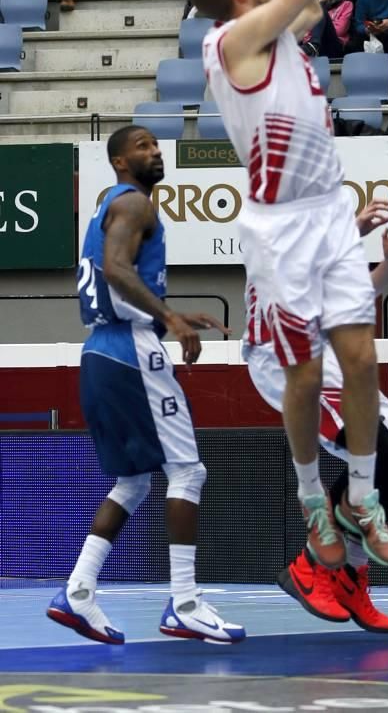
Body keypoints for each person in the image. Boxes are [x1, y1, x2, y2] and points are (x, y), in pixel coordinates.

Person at [188, 0, 388, 572]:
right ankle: (315, 499)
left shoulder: (271, 26)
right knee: (306, 376)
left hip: (327, 214)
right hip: (279, 228)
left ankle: (363, 501)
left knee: (364, 362)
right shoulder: (230, 41)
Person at [46, 125, 244, 646]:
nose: (155, 151)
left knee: (133, 480)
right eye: (142, 146)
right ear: (118, 162)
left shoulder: (111, 205)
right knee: (188, 471)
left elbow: (115, 275)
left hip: (102, 350)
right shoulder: (134, 203)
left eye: (157, 145)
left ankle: (79, 590)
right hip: (132, 351)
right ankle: (184, 602)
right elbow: (115, 269)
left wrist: (170, 314)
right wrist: (168, 320)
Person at [246, 203, 388, 632]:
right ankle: (310, 567)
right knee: (372, 445)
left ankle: (350, 577)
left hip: (326, 349)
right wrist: (350, 230)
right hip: (282, 352)